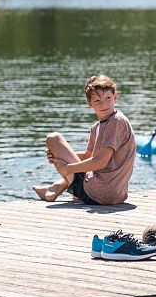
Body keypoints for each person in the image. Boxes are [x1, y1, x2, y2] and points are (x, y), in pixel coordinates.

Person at [32, 74, 136, 205]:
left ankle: (55, 188)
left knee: (53, 139)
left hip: (99, 192)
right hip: (115, 194)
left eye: (108, 98)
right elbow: (89, 156)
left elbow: (100, 162)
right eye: (97, 101)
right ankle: (55, 188)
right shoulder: (97, 127)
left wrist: (67, 168)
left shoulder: (116, 122)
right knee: (64, 153)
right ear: (90, 104)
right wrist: (58, 156)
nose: (104, 104)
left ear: (115, 97)